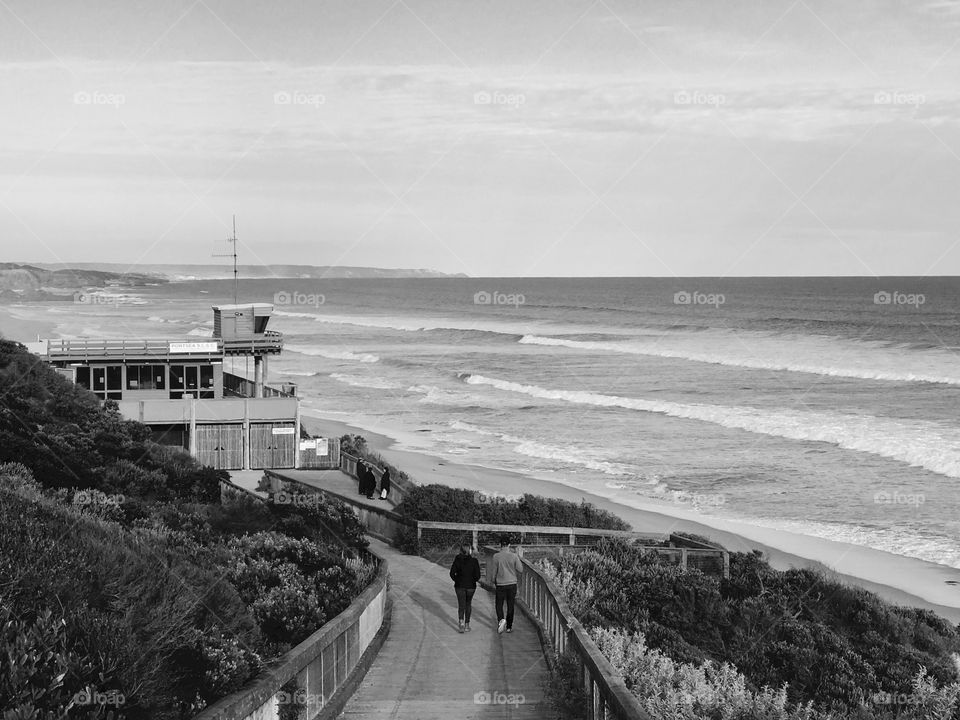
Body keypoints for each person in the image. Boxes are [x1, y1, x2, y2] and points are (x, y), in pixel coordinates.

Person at [489, 535, 524, 634]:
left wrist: (492, 581)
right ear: (509, 545)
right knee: (510, 605)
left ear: (500, 545)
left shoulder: (496, 556)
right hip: (512, 583)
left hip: (500, 583)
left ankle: (501, 620)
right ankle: (509, 626)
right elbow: (520, 569)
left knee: (499, 604)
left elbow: (494, 572)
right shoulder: (513, 556)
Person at [449, 543, 481, 633]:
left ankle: (461, 622)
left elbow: (452, 573)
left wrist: (457, 580)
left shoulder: (457, 559)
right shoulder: (474, 561)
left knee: (461, 605)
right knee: (468, 604)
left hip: (459, 586)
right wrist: (472, 580)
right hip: (471, 586)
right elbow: (478, 576)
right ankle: (467, 625)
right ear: (469, 550)